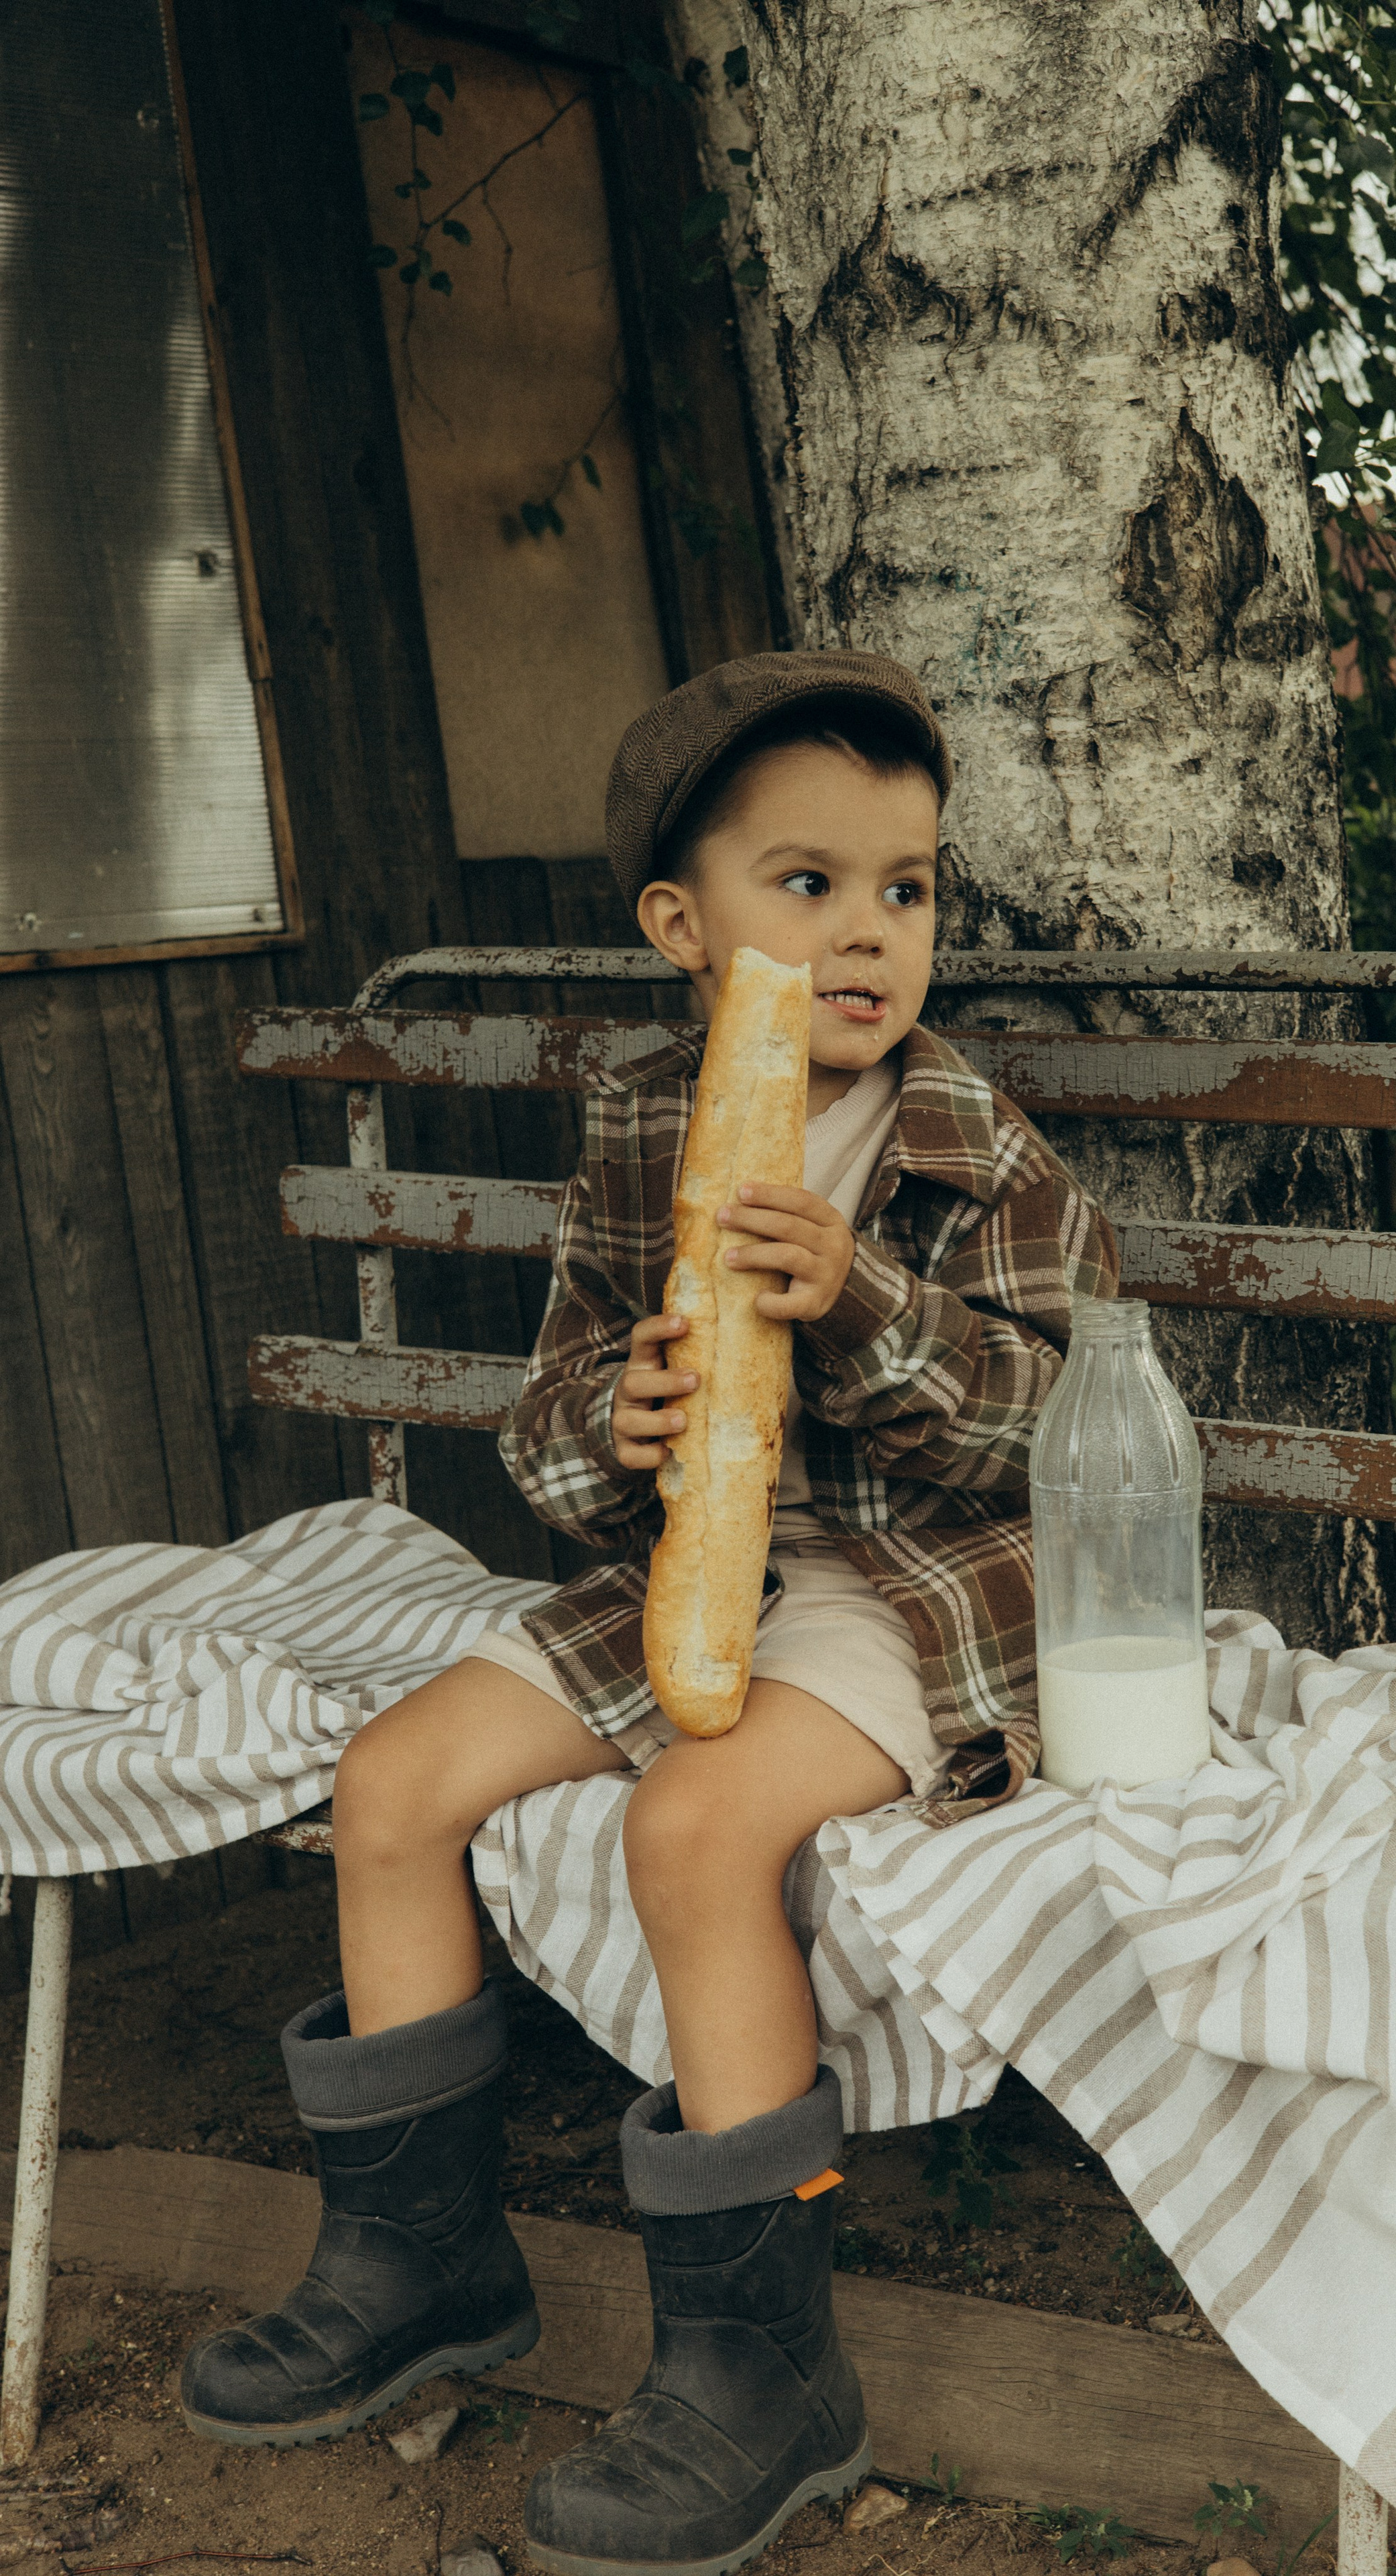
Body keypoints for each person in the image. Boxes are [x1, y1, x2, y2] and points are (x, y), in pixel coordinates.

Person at [180, 651, 1118, 2574]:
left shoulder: (977, 1147)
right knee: (394, 1775)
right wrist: (614, 1423)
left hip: (924, 1584)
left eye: (907, 887)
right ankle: (423, 2263)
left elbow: (1059, 1433)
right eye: (810, 882)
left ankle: (766, 2369)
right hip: (692, 1570)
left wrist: (861, 1305)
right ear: (683, 926)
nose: (867, 930)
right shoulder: (642, 1126)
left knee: (691, 1823)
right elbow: (549, 1437)